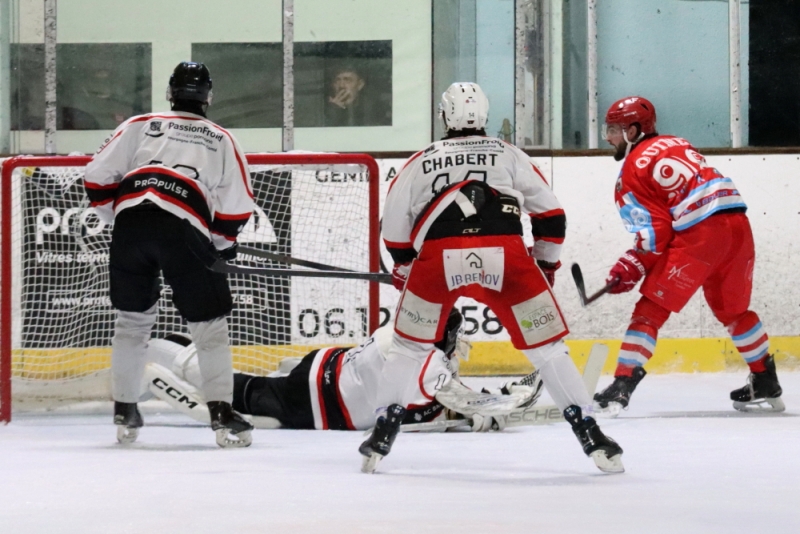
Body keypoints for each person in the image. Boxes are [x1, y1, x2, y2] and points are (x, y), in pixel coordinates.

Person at [359, 82, 624, 475]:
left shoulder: (421, 159)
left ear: (444, 115)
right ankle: (592, 435)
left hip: (439, 258)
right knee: (548, 350)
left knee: (409, 348)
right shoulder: (509, 154)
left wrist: (405, 271)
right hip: (507, 258)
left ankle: (382, 433)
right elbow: (552, 218)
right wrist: (545, 266)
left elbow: (395, 231)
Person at [83, 61, 256, 447]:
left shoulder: (139, 124)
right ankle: (221, 413)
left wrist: (122, 216)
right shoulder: (221, 138)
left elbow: (95, 177)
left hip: (130, 226)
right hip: (183, 225)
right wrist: (221, 246)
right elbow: (236, 206)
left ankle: (125, 408)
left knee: (131, 321)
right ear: (208, 96)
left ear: (169, 93)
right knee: (209, 327)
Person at [594, 96, 784, 415]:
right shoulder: (676, 142)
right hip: (738, 227)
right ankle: (766, 380)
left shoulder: (631, 171)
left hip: (701, 235)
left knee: (649, 310)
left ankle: (621, 387)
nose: (609, 137)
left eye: (614, 129)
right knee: (734, 311)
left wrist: (630, 265)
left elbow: (656, 235)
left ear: (634, 131)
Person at [144, 308, 539, 432]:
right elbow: (455, 398)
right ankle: (163, 351)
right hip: (316, 399)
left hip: (324, 361)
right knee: (238, 390)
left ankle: (159, 344)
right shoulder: (431, 363)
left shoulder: (399, 329)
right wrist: (496, 409)